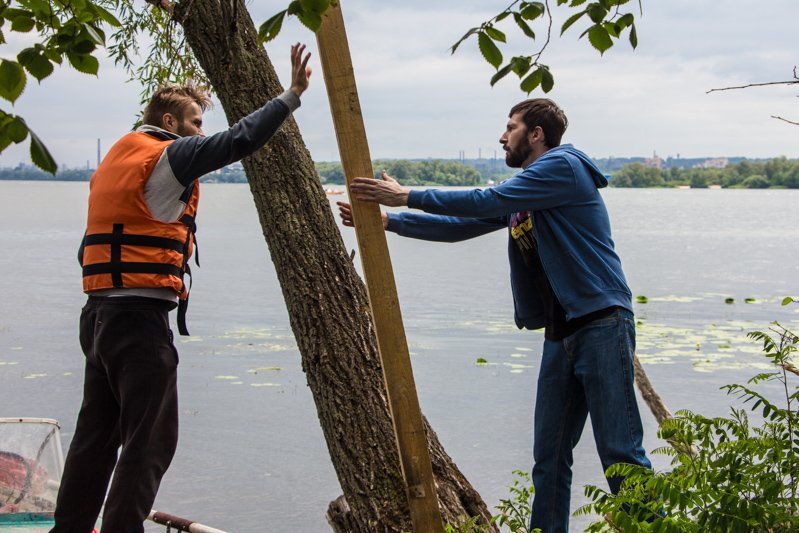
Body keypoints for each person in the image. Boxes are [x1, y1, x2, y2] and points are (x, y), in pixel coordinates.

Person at [339, 98, 652, 532]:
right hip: (562, 333)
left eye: (511, 127)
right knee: (549, 458)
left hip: (601, 321)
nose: (502, 137)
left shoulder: (561, 167)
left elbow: (488, 197)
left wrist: (408, 194)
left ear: (536, 134)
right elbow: (463, 225)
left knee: (620, 452)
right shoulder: (529, 189)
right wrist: (390, 220)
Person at [51, 43, 312, 533]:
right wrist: (291, 95)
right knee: (150, 442)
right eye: (195, 122)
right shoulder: (169, 156)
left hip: (98, 316)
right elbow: (238, 140)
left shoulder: (117, 158)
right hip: (138, 322)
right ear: (169, 122)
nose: (200, 133)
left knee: (96, 438)